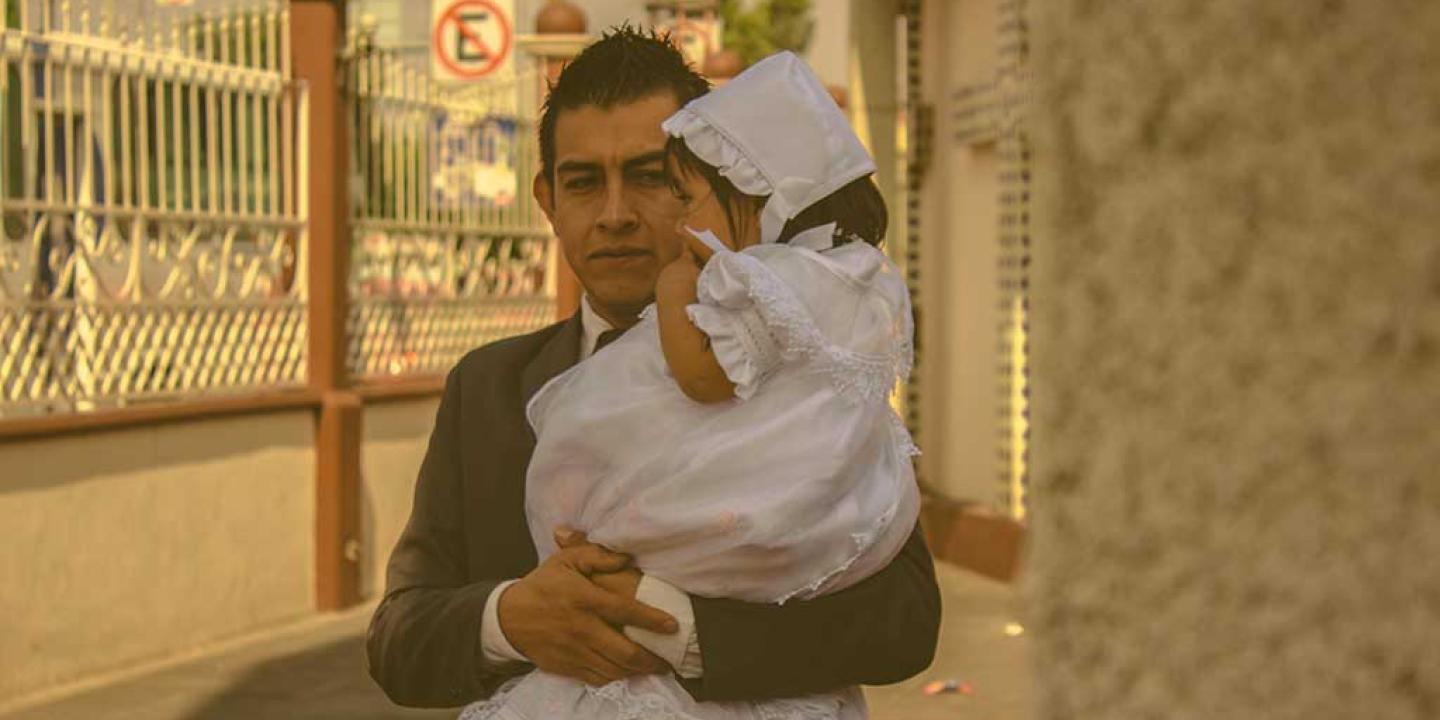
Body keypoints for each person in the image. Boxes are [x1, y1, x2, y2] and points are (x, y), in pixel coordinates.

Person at [366, 27, 940, 711]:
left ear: (704, 184)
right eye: (583, 183)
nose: (614, 216)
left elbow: (904, 618)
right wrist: (511, 619)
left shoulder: (796, 358)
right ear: (547, 202)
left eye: (647, 178)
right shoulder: (487, 388)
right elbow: (400, 637)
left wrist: (680, 629)